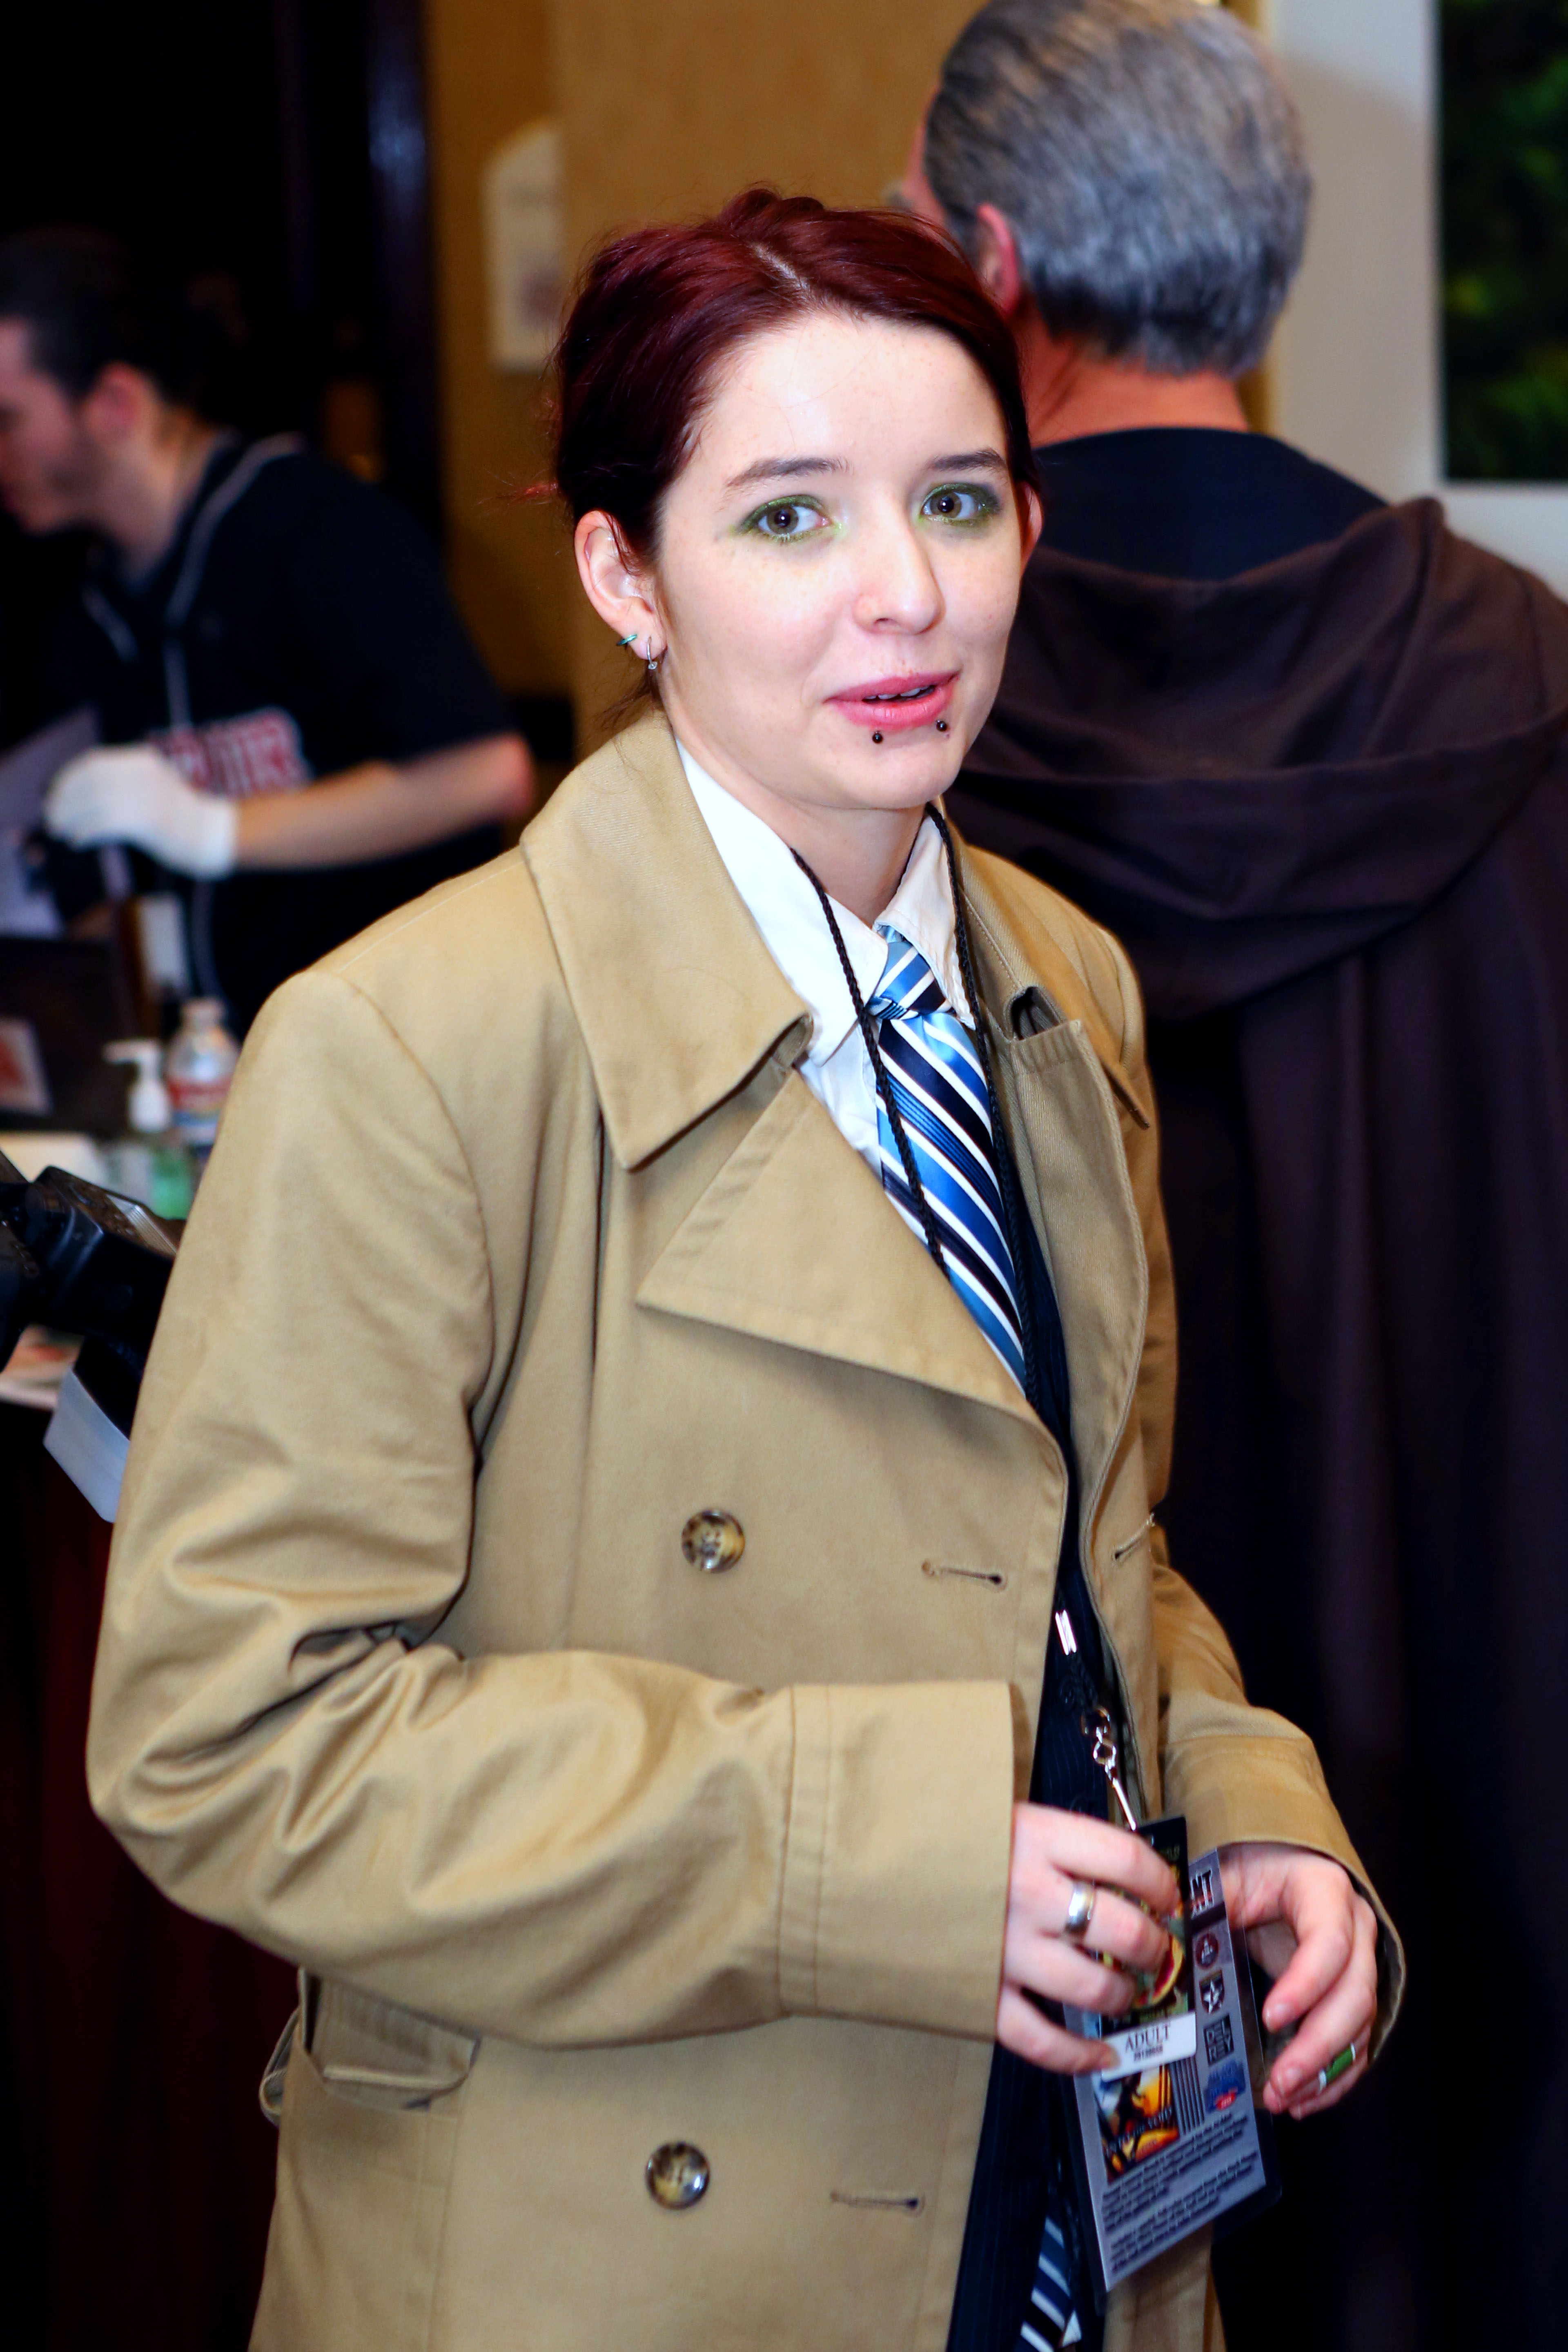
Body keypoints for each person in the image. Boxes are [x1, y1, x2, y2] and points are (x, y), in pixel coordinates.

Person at [86, 192, 1395, 2352]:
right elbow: (229, 1737)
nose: (905, 594)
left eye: (957, 501)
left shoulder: (1062, 982)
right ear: (627, 574)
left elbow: (1095, 1550)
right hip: (613, 2222)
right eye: (789, 517)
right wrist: (866, 1858)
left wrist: (1252, 1804)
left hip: (1057, 2175)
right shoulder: (417, 1045)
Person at [906, 6, 1568, 2348]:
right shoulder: (1527, 681)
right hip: (1493, 1646)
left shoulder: (894, 719)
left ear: (990, 264)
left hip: (1051, 1725)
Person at [0, 229, 532, 1032]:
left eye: (8, 419)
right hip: (220, 1063)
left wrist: (214, 831)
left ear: (113, 405)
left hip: (408, 1045)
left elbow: (489, 773)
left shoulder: (321, 529)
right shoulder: (83, 619)